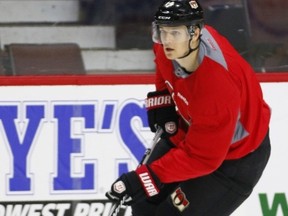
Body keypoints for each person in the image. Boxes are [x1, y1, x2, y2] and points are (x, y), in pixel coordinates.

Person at [106, 0, 271, 215]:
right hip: (191, 133)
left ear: (195, 34)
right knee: (142, 201)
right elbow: (162, 65)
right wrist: (163, 98)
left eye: (174, 33)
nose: (166, 40)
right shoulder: (170, 46)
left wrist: (147, 176)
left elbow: (202, 157)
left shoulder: (217, 87)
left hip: (235, 159)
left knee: (170, 212)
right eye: (162, 32)